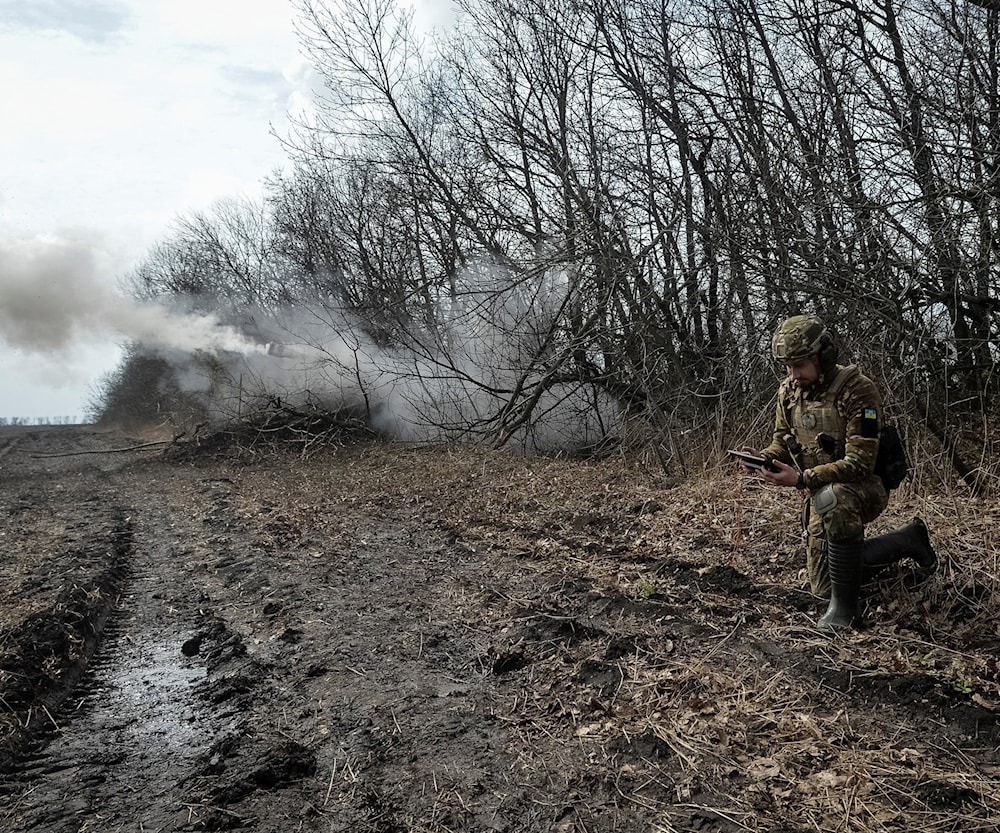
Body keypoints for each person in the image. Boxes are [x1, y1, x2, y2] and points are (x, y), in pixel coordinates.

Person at [743, 314, 937, 629]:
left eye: (799, 365)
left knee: (833, 499)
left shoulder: (858, 391)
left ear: (823, 356)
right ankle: (907, 540)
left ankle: (846, 614)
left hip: (863, 488)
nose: (793, 375)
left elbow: (860, 463)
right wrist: (764, 457)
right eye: (787, 367)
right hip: (823, 493)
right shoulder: (789, 392)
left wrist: (802, 479)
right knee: (823, 588)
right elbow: (782, 440)